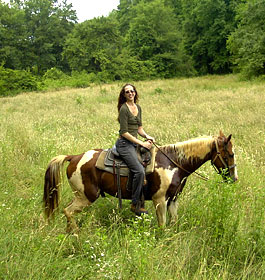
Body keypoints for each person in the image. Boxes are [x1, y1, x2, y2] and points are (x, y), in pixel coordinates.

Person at [115, 83, 155, 216]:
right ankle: (135, 203)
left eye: (132, 91)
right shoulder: (123, 109)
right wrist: (141, 143)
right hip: (124, 144)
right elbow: (124, 132)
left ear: (135, 93)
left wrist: (147, 136)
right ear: (124, 95)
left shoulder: (138, 107)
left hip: (134, 143)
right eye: (127, 92)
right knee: (138, 170)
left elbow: (139, 128)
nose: (130, 93)